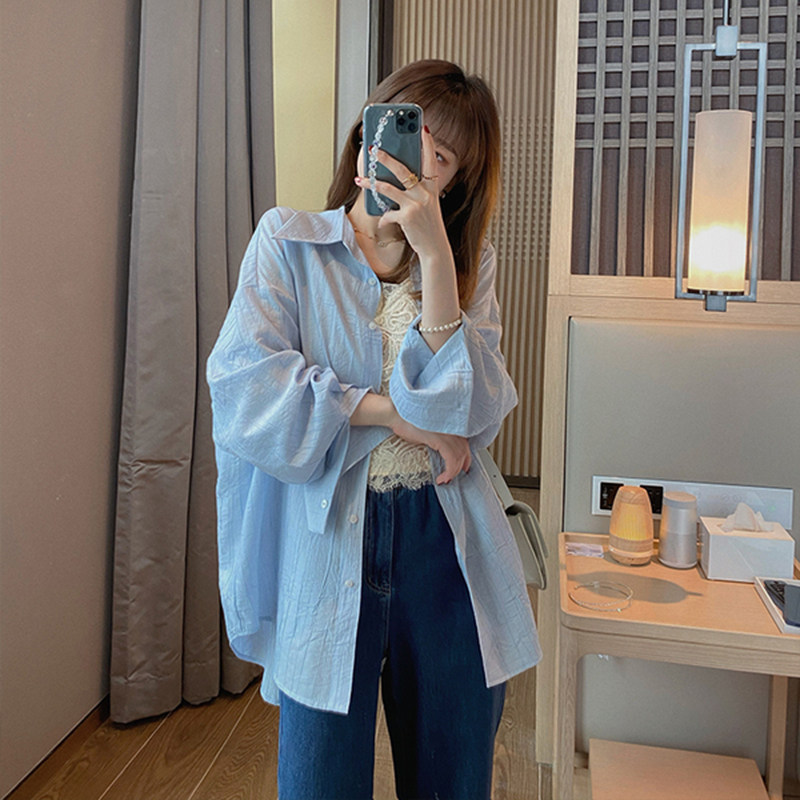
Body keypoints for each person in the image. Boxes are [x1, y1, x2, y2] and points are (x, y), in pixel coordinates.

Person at [207, 59, 541, 800]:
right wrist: (394, 414)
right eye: (407, 133)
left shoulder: (469, 264)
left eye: (442, 156)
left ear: (456, 182)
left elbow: (471, 415)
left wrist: (436, 261)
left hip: (445, 541)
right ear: (367, 133)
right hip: (329, 540)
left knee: (453, 779)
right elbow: (245, 385)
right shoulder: (288, 243)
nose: (417, 162)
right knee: (317, 780)